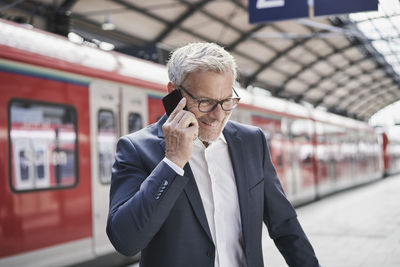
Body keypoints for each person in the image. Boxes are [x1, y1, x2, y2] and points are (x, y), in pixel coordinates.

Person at [107, 42, 320, 267]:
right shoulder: (137, 149)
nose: (218, 115)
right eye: (205, 101)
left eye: (227, 101)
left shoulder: (251, 142)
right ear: (173, 93)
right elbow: (126, 242)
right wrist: (173, 161)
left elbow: (285, 225)